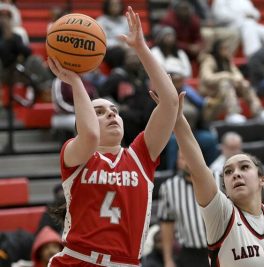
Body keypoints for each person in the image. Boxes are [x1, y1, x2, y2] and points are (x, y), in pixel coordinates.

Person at [48, 6, 179, 267]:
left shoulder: (141, 155)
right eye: (99, 111)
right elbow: (90, 134)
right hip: (78, 260)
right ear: (82, 123)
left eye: (114, 111)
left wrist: (141, 48)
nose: (110, 114)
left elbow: (171, 103)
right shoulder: (74, 153)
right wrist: (75, 81)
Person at [163, 90, 264, 266]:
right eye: (228, 172)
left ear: (262, 180)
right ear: (225, 187)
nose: (235, 173)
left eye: (244, 167)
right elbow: (198, 168)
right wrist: (179, 121)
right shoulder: (221, 214)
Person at [200, 39, 264, 123]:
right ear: (218, 49)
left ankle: (258, 111)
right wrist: (226, 75)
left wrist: (239, 80)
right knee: (225, 82)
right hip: (212, 91)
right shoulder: (209, 60)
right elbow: (207, 78)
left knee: (245, 84)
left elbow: (237, 74)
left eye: (227, 48)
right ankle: (233, 113)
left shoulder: (227, 60)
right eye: (224, 48)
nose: (226, 50)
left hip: (227, 89)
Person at [157, 151, 209, 267]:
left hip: (220, 249)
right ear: (177, 162)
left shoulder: (218, 178)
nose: (188, 162)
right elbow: (167, 224)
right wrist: (168, 259)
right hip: (190, 254)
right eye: (182, 158)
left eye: (191, 156)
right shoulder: (169, 187)